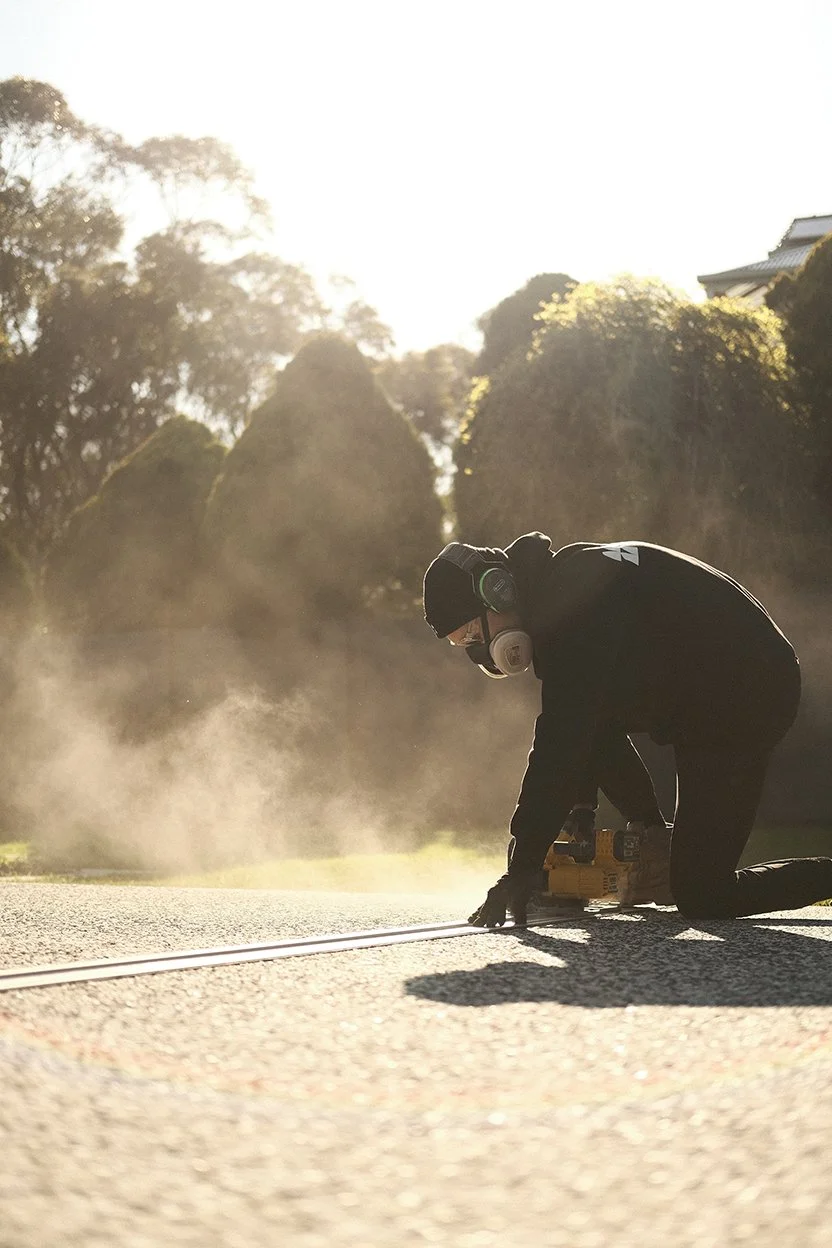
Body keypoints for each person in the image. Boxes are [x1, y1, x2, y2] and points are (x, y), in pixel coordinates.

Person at [422, 533, 832, 926]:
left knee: (703, 893)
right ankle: (653, 836)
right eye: (466, 646)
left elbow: (560, 745)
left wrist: (522, 868)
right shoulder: (564, 582)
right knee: (589, 726)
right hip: (718, 688)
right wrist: (583, 809)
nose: (481, 652)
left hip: (745, 693)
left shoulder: (571, 611)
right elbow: (584, 724)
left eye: (474, 634)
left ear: (498, 590)